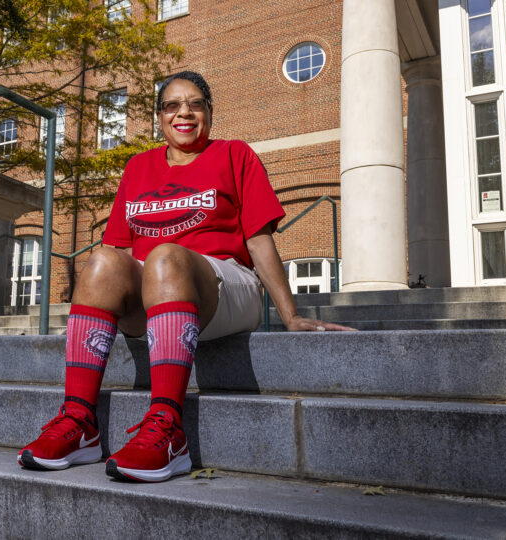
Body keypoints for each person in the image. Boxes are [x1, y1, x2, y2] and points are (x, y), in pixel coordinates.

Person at [18, 70, 353, 482]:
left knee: (165, 256)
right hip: (157, 295)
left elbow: (259, 241)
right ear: (159, 118)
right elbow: (119, 254)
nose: (185, 112)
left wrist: (290, 316)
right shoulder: (138, 167)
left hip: (225, 284)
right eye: (172, 105)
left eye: (195, 103)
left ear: (210, 112)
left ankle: (168, 429)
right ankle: (80, 421)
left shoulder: (234, 154)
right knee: (103, 259)